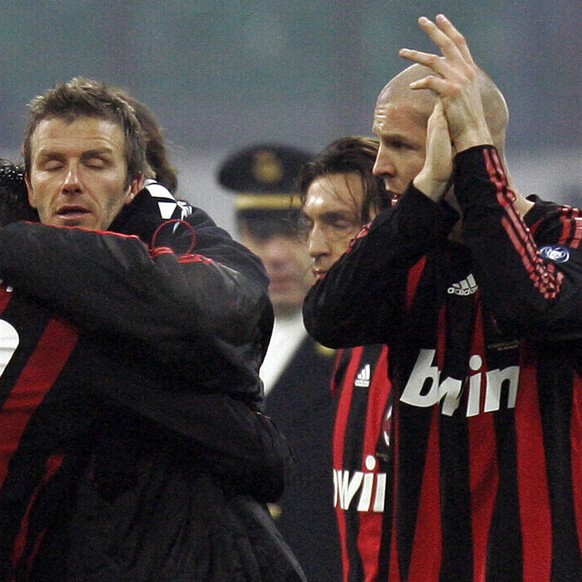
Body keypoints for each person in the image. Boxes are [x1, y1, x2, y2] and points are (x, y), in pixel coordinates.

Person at [303, 14, 582, 581]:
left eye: (400, 146)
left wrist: (476, 157)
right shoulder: (407, 251)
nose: (380, 165)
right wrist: (427, 192)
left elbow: (532, 302)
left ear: (464, 146)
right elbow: (327, 317)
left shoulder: (568, 237)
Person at [0, 78, 304, 580]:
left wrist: (18, 246)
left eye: (95, 163)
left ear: (136, 183)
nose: (72, 180)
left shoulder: (184, 241)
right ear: (30, 184)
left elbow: (229, 309)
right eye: (53, 164)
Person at [218, 143, 341, 581]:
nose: (276, 254)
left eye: (292, 231)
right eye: (258, 233)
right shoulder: (210, 346)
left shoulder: (355, 350)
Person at [298, 135, 393, 581]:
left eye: (338, 222)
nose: (315, 245)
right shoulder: (349, 348)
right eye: (310, 224)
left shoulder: (458, 346)